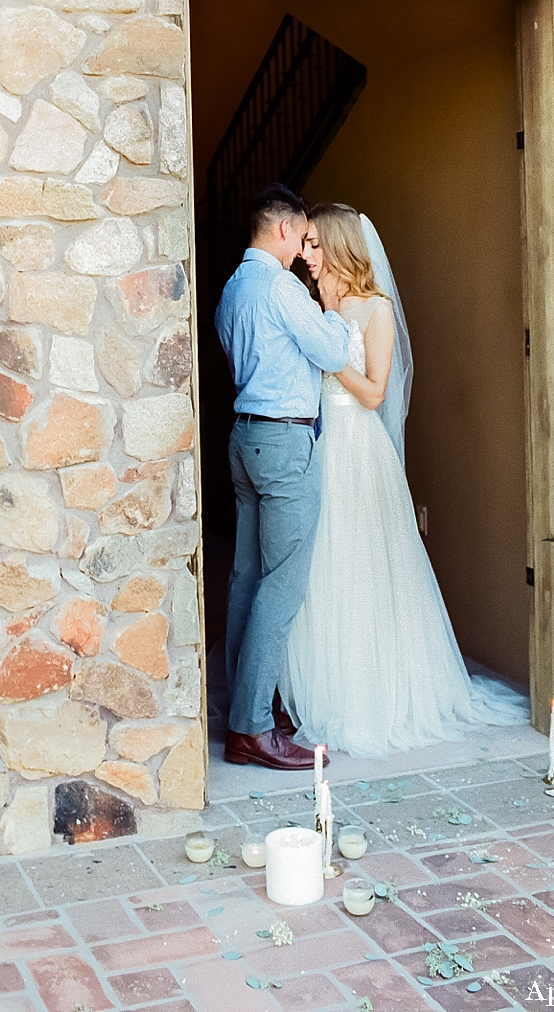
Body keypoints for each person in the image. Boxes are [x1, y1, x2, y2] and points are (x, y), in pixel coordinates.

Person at [280, 204, 528, 758]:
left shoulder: (375, 309)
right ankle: (322, 692)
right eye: (305, 244)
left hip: (360, 452)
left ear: (342, 246)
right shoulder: (312, 303)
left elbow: (373, 393)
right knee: (320, 569)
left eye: (316, 244)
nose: (306, 254)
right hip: (319, 448)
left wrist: (324, 349)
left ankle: (372, 699)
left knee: (363, 568)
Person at [215, 184, 351, 770]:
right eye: (300, 236)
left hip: (243, 438)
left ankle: (248, 702)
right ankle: (252, 727)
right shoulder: (280, 287)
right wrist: (341, 317)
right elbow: (332, 353)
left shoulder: (230, 290)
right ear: (280, 229)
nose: (303, 249)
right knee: (282, 582)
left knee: (246, 577)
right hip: (283, 439)